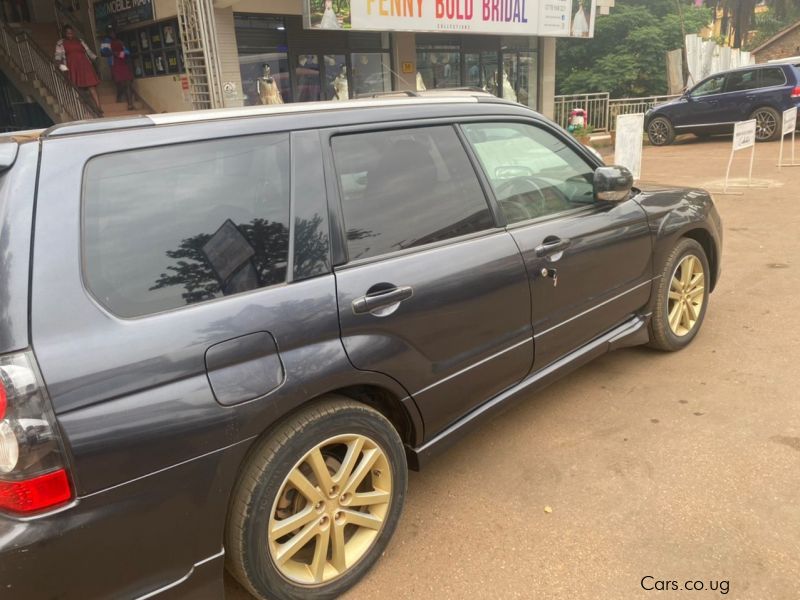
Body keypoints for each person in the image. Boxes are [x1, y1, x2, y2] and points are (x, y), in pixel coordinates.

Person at [55, 25, 101, 113]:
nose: (70, 34)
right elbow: (57, 57)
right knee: (78, 88)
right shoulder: (60, 43)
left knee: (91, 85)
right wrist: (63, 68)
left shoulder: (79, 41)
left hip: (85, 65)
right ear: (64, 33)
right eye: (68, 33)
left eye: (71, 32)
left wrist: (95, 58)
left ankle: (98, 106)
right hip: (72, 67)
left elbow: (88, 51)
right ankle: (86, 109)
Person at [100, 26, 134, 110]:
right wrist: (113, 53)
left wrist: (120, 53)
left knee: (128, 83)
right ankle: (119, 96)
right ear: (108, 33)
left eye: (113, 32)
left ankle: (130, 104)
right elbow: (103, 53)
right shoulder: (105, 41)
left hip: (123, 63)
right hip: (114, 63)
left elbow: (127, 52)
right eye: (110, 32)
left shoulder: (120, 41)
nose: (112, 34)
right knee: (120, 83)